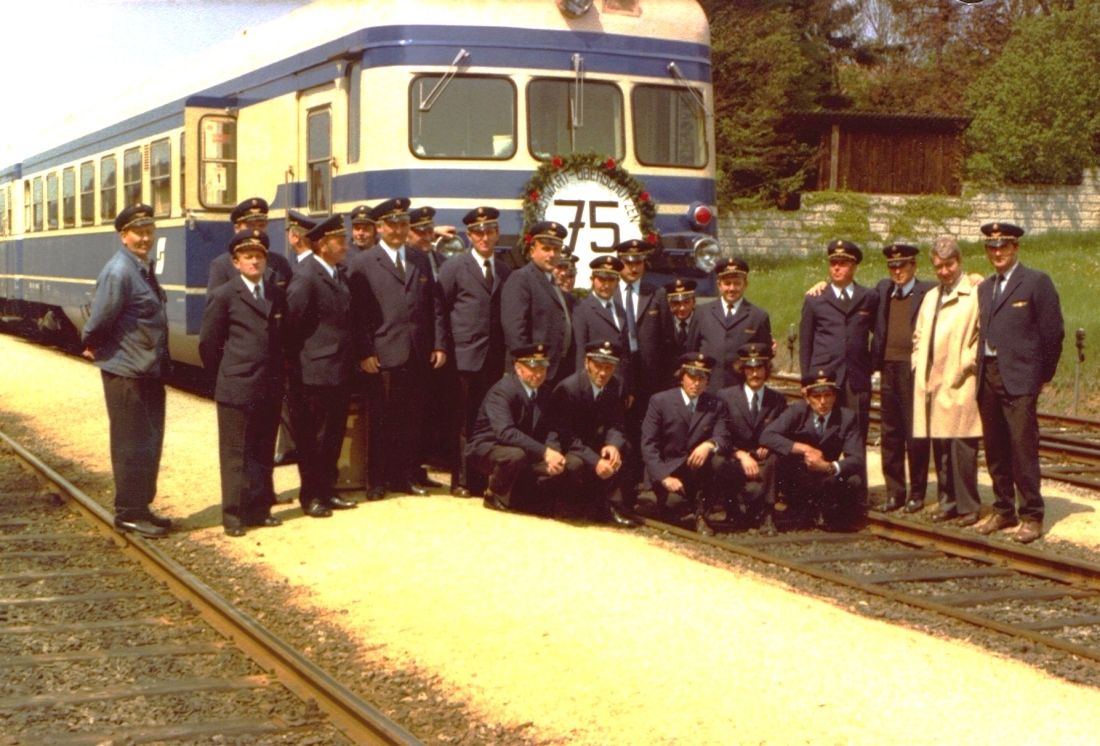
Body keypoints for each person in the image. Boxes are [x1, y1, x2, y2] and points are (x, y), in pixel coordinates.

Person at [347, 198, 449, 499]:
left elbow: (435, 306)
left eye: (404, 224)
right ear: (380, 227)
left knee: (412, 419)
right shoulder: (364, 262)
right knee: (382, 420)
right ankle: (377, 480)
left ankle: (405, 476)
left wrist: (439, 344)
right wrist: (365, 352)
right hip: (383, 354)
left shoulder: (419, 258)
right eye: (393, 225)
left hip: (417, 352)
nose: (399, 230)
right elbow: (357, 314)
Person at [81, 204, 171, 538]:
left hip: (147, 368)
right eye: (138, 232)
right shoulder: (119, 271)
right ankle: (128, 512)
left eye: (149, 231)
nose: (145, 238)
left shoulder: (142, 268)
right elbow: (101, 319)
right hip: (127, 371)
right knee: (131, 443)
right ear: (124, 236)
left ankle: (142, 507)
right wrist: (92, 343)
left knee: (149, 440)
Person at [974, 221, 1065, 544]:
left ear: (1016, 248)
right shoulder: (985, 287)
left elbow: (1053, 333)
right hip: (988, 374)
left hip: (1021, 377)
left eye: (1003, 246)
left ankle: (1031, 515)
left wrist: (1042, 375)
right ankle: (1003, 509)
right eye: (991, 248)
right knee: (996, 447)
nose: (997, 253)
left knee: (1023, 447)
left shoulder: (1036, 282)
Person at [199, 229, 287, 537]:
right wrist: (224, 377)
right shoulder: (225, 295)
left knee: (263, 451)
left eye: (259, 256)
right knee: (236, 453)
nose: (254, 261)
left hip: (269, 386)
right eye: (247, 256)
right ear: (236, 263)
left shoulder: (276, 293)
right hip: (237, 386)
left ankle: (260, 510)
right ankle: (234, 515)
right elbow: (209, 343)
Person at [285, 215, 359, 518]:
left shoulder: (336, 273)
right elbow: (292, 324)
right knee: (312, 438)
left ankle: (328, 490)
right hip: (313, 372)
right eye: (340, 240)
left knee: (332, 435)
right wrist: (298, 366)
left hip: (338, 369)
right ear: (322, 245)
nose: (345, 245)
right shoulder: (307, 276)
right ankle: (311, 495)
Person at [438, 206, 512, 497]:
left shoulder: (505, 271)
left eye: (489, 231)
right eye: (478, 232)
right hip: (464, 358)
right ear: (469, 235)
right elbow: (440, 310)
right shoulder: (454, 267)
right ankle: (462, 480)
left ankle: (483, 478)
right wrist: (442, 347)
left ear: (496, 234)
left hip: (494, 360)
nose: (484, 237)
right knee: (463, 421)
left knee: (489, 420)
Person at [912, 237, 983, 527]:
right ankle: (948, 501)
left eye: (949, 264)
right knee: (940, 446)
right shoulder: (931, 296)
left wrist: (966, 362)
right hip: (933, 381)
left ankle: (969, 506)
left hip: (961, 380)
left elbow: (984, 334)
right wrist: (918, 362)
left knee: (962, 446)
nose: (944, 271)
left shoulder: (976, 291)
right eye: (939, 266)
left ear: (960, 262)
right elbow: (918, 335)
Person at [467, 343, 577, 515]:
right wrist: (545, 452)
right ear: (518, 369)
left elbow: (552, 428)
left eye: (543, 369)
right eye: (533, 369)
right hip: (488, 448)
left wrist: (553, 452)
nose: (539, 374)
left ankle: (528, 498)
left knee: (569, 463)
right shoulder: (503, 390)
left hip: (526, 450)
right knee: (515, 455)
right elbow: (505, 432)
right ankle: (494, 494)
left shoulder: (545, 393)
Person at [871, 244, 936, 513]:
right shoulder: (883, 290)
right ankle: (895, 492)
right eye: (893, 266)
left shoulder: (927, 291)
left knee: (916, 434)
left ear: (914, 266)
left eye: (903, 265)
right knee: (890, 434)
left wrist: (978, 278)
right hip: (888, 369)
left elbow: (957, 284)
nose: (898, 271)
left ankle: (917, 494)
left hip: (913, 370)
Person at [760, 369, 867, 532]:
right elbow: (767, 435)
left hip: (825, 476)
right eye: (817, 397)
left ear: (835, 396)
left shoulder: (847, 417)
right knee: (774, 458)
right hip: (797, 475)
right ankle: (768, 514)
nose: (823, 402)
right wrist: (804, 449)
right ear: (808, 399)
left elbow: (857, 458)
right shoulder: (797, 411)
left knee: (854, 480)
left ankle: (827, 511)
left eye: (827, 395)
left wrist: (828, 466)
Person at [550, 340, 641, 527]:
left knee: (625, 448)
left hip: (592, 442)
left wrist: (613, 445)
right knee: (574, 464)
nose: (603, 373)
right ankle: (570, 505)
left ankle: (611, 504)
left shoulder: (615, 385)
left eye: (608, 367)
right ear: (586, 363)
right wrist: (595, 460)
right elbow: (565, 435)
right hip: (567, 445)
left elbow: (616, 423)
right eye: (598, 366)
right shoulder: (568, 388)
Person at [799, 240, 878, 442]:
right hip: (824, 378)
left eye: (842, 263)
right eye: (833, 263)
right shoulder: (815, 298)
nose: (836, 267)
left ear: (854, 266)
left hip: (856, 379)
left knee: (857, 437)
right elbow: (806, 342)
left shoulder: (868, 297)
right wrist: (806, 379)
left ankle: (856, 475)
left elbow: (879, 333)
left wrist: (871, 365)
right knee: (823, 439)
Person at [640, 353, 730, 529]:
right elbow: (648, 444)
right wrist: (664, 477)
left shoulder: (715, 404)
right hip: (669, 470)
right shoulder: (660, 401)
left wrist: (709, 444)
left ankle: (702, 515)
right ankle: (679, 503)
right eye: (691, 377)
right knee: (673, 505)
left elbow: (724, 436)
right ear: (681, 377)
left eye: (702, 378)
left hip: (696, 470)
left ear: (707, 381)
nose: (696, 383)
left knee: (719, 460)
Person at [713, 342, 788, 535]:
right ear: (742, 370)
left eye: (759, 368)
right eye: (750, 369)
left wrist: (770, 446)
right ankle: (734, 511)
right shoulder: (726, 397)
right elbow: (721, 432)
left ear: (766, 369)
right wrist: (740, 455)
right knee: (718, 461)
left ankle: (767, 515)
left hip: (764, 460)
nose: (755, 374)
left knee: (776, 458)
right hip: (736, 458)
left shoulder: (777, 400)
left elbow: (784, 432)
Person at [501, 221, 575, 387]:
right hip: (532, 371)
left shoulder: (552, 282)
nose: (551, 254)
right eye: (546, 249)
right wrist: (527, 366)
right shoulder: (522, 279)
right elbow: (515, 331)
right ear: (533, 250)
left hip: (553, 371)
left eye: (556, 250)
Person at [274, 210, 317, 467]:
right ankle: (290, 446)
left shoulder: (303, 270)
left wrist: (286, 352)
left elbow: (293, 317)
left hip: (304, 354)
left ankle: (293, 448)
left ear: (294, 237)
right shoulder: (307, 266)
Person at [697, 257, 772, 392]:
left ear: (745, 284)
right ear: (719, 285)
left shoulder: (758, 316)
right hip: (708, 390)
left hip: (741, 392)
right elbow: (692, 349)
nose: (732, 288)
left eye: (737, 283)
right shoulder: (702, 312)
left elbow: (764, 359)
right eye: (727, 283)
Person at [572, 255, 631, 390]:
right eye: (601, 279)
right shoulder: (582, 310)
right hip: (596, 383)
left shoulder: (621, 310)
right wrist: (583, 388)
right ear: (592, 280)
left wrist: (628, 387)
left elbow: (626, 353)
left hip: (619, 384)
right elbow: (581, 353)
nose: (606, 285)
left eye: (611, 280)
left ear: (617, 282)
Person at [207, 197, 292, 291]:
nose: (256, 230)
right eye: (250, 226)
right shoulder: (222, 265)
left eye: (261, 225)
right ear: (237, 229)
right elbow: (216, 303)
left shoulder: (280, 263)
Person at [662, 278, 701, 382]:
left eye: (686, 302)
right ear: (670, 305)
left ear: (694, 302)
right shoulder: (663, 323)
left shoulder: (702, 321)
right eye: (676, 303)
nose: (682, 308)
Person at [407, 205, 447, 280]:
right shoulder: (402, 262)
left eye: (430, 232)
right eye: (422, 233)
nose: (428, 238)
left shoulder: (443, 261)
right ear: (407, 234)